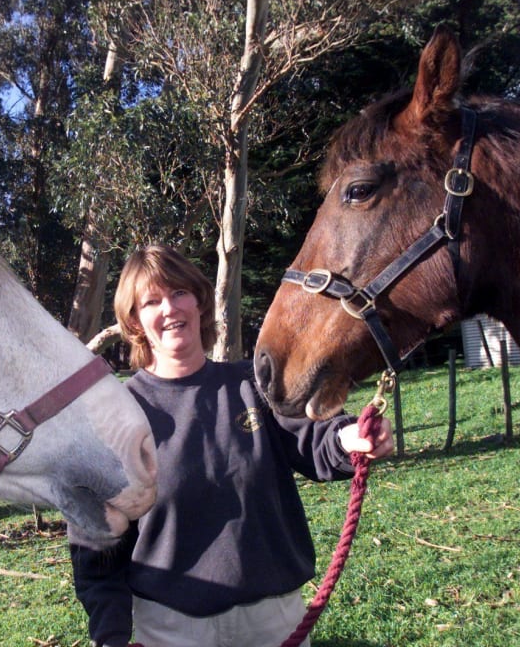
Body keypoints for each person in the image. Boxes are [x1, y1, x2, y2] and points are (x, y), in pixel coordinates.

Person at [69, 244, 395, 647]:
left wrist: (349, 437)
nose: (170, 309)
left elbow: (313, 440)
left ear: (200, 303)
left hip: (274, 619)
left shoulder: (251, 385)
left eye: (179, 293)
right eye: (151, 301)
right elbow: (96, 547)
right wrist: (111, 636)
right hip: (171, 628)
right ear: (135, 322)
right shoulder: (115, 418)